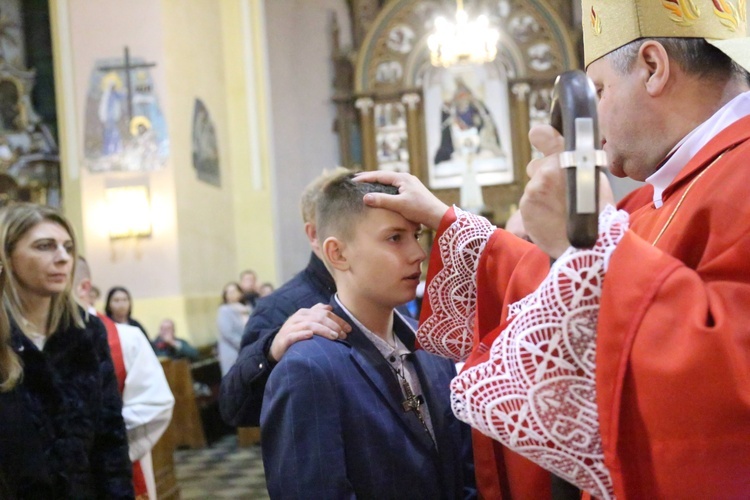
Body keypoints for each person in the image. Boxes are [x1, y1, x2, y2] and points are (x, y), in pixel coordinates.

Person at [357, 1, 750, 497]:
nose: (597, 111)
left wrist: (585, 239)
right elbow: (569, 287)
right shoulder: (653, 197)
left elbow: (727, 390)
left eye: (600, 89)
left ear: (652, 68)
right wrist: (446, 221)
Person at [261, 173, 475, 499]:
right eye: (394, 238)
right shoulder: (307, 369)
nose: (418, 253)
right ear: (338, 254)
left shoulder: (432, 344)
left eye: (416, 235)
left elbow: (463, 469)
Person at [0, 202, 133, 498]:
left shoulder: (86, 330)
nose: (62, 258)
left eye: (68, 247)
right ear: (7, 255)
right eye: (45, 246)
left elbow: (109, 436)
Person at [220, 167, 352, 427]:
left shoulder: (380, 293)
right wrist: (269, 352)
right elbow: (234, 407)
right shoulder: (278, 306)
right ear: (315, 234)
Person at [73, 256, 175, 500]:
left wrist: (93, 441)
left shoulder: (127, 338)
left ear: (83, 287)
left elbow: (155, 402)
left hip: (112, 467)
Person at [216, 281, 251, 375]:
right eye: (229, 292)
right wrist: (245, 345)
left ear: (240, 293)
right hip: (233, 351)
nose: (232, 294)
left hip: (249, 350)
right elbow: (227, 333)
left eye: (234, 291)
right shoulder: (224, 310)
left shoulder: (247, 308)